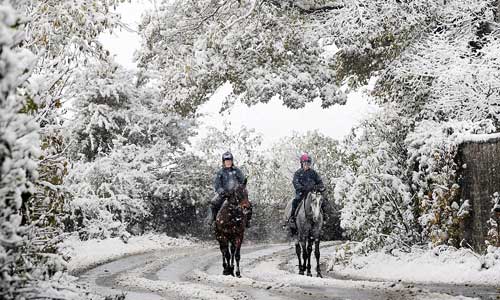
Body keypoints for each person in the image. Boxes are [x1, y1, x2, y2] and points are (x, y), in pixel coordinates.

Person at [288, 153, 331, 232]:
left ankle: (324, 215)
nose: (306, 165)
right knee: (295, 200)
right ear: (302, 163)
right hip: (302, 193)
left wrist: (319, 187)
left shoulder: (313, 173)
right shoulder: (298, 173)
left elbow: (320, 182)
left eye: (308, 163)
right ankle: (292, 217)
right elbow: (295, 182)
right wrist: (301, 188)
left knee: (323, 200)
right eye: (305, 163)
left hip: (313, 193)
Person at [211, 151, 252, 227]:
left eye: (229, 161)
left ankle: (247, 221)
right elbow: (217, 185)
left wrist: (240, 187)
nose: (228, 162)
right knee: (214, 203)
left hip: (236, 194)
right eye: (226, 161)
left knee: (249, 204)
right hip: (225, 194)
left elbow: (242, 181)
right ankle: (214, 221)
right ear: (223, 162)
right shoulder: (220, 172)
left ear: (232, 161)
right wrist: (222, 192)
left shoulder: (236, 171)